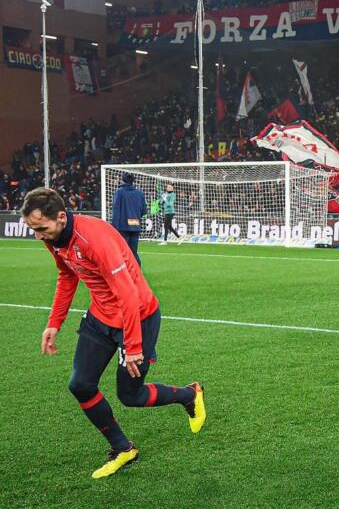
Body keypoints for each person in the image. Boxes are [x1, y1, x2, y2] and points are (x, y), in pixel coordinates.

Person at [21, 188, 206, 478]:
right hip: (101, 317)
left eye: (41, 228)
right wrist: (54, 323)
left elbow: (129, 295)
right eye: (33, 230)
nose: (38, 236)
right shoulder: (54, 237)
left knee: (130, 395)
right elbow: (67, 275)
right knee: (81, 384)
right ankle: (123, 448)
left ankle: (189, 394)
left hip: (138, 316)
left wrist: (132, 345)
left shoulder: (94, 238)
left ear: (60, 217)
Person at [111, 172, 147, 265]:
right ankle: (137, 273)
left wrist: (114, 227)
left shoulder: (119, 192)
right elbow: (144, 211)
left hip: (123, 226)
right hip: (135, 226)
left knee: (123, 252)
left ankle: (125, 274)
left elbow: (116, 209)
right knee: (133, 252)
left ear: (123, 180)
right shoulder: (140, 193)